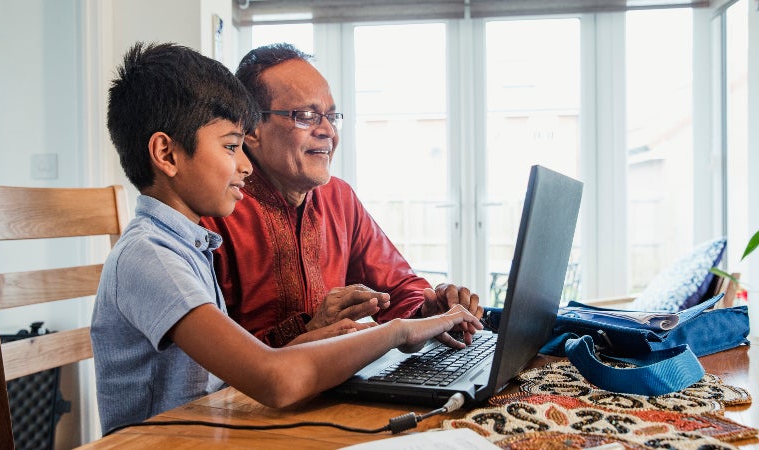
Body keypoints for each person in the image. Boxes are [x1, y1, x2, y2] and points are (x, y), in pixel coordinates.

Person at [91, 41, 482, 436]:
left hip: (231, 424)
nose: (328, 130)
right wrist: (396, 331)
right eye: (231, 145)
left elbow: (234, 376)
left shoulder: (189, 240)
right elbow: (270, 376)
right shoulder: (165, 247)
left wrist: (420, 317)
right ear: (167, 154)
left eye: (331, 116)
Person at [200, 43, 483, 348]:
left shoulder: (338, 198)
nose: (328, 131)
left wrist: (430, 309)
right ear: (252, 128)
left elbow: (400, 288)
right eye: (306, 115)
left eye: (331, 117)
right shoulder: (214, 211)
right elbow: (211, 358)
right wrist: (310, 328)